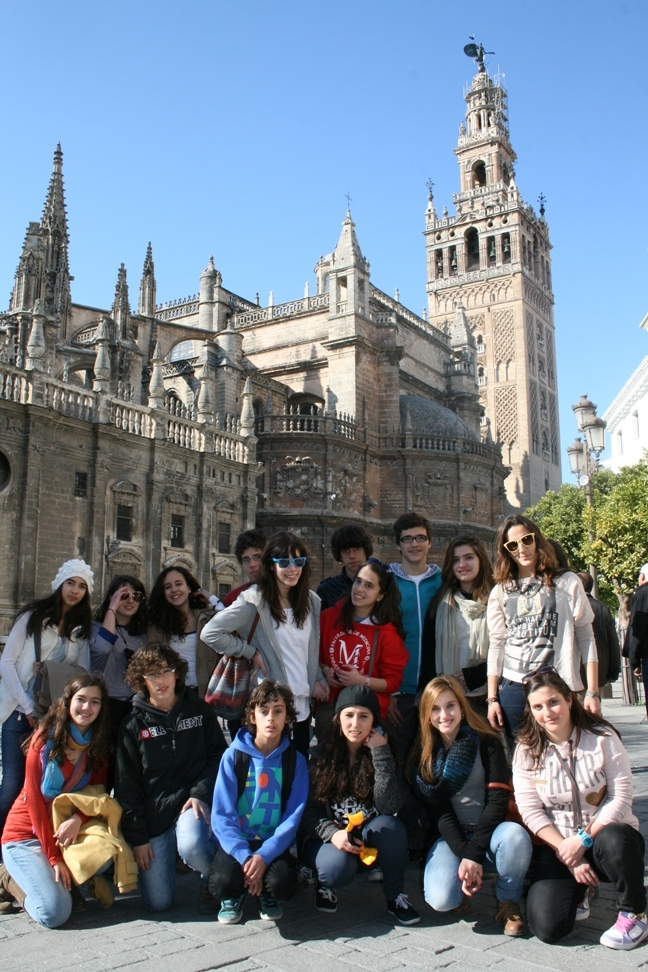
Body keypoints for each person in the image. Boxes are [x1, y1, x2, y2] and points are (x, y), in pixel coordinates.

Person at [513, 668, 648, 949]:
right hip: (561, 847)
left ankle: (634, 912)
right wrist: (570, 854)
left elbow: (621, 796)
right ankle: (581, 890)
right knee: (548, 928)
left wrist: (583, 840)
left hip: (604, 837)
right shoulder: (526, 749)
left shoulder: (602, 736)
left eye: (553, 702)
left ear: (569, 699)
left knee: (616, 839)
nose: (547, 712)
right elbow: (530, 811)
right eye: (538, 706)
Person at [412, 676, 531, 936]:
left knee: (516, 837)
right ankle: (462, 886)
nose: (444, 715)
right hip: (451, 837)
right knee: (441, 900)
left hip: (490, 833)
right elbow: (441, 814)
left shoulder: (486, 742)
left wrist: (473, 855)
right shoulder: (424, 754)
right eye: (435, 708)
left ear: (462, 706)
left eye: (450, 705)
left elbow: (497, 803)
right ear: (426, 714)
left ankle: (507, 901)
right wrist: (466, 855)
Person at [115, 643, 227, 913]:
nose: (160, 680)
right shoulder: (132, 724)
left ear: (177, 673)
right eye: (152, 674)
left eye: (165, 671)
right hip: (156, 814)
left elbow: (218, 757)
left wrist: (200, 792)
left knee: (192, 845)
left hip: (192, 802)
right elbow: (126, 786)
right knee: (159, 902)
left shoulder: (199, 711)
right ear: (141, 680)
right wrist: (138, 839)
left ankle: (223, 883)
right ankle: (217, 875)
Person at [300, 685, 420, 926]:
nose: (355, 724)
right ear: (337, 719)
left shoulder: (385, 752)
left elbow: (389, 806)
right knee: (335, 870)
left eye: (364, 716)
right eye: (349, 715)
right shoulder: (319, 756)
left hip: (368, 839)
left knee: (391, 827)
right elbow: (308, 813)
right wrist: (333, 835)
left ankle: (395, 896)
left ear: (375, 720)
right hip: (330, 841)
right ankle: (323, 884)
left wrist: (381, 754)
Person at [201, 532, 328, 755]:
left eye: (298, 562)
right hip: (268, 705)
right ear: (271, 566)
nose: (292, 569)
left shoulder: (311, 601)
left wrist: (317, 676)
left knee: (295, 771)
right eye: (284, 562)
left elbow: (308, 648)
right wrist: (250, 652)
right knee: (265, 776)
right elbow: (211, 632)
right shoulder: (254, 600)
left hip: (301, 706)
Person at [0, 674, 111, 927]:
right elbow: (35, 804)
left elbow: (97, 793)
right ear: (68, 701)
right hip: (26, 834)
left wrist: (77, 818)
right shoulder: (44, 739)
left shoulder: (99, 743)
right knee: (54, 913)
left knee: (105, 856)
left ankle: (63, 882)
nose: (87, 707)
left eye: (95, 702)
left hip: (65, 828)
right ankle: (8, 877)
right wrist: (54, 859)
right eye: (81, 700)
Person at [0, 559, 93, 842]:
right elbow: (6, 663)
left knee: (44, 787)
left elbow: (83, 675)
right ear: (59, 585)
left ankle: (30, 843)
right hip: (19, 713)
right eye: (70, 583)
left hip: (53, 719)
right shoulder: (32, 617)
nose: (75, 591)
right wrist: (28, 707)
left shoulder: (80, 631)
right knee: (13, 784)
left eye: (81, 586)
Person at [486, 515, 599, 741]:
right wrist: (492, 699)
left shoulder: (567, 581)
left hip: (557, 684)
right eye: (513, 545)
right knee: (522, 766)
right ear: (506, 551)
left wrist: (592, 691)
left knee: (563, 757)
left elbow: (586, 635)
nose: (522, 548)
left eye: (527, 540)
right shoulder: (501, 590)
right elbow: (497, 644)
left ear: (537, 540)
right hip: (515, 686)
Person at [208, 680, 308, 924]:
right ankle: (237, 893)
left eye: (278, 711)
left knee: (283, 883)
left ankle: (265, 892)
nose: (270, 718)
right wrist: (244, 856)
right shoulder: (234, 755)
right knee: (222, 882)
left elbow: (292, 817)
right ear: (252, 716)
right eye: (263, 711)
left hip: (272, 843)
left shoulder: (295, 761)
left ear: (288, 717)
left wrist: (263, 856)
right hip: (238, 841)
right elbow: (222, 814)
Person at [317, 559, 408, 740]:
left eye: (369, 586)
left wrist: (361, 680)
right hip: (331, 714)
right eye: (358, 581)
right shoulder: (327, 617)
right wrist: (325, 671)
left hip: (366, 718)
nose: (359, 589)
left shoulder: (387, 633)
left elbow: (392, 682)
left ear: (380, 595)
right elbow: (312, 657)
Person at [420, 535, 494, 715]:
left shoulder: (496, 599)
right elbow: (429, 651)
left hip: (485, 695)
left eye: (469, 557)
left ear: (480, 560)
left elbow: (506, 648)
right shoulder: (440, 602)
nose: (462, 565)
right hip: (446, 699)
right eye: (455, 560)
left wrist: (475, 676)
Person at [388, 513, 442, 741]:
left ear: (429, 542)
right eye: (407, 539)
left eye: (420, 537)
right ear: (398, 544)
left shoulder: (444, 582)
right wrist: (387, 693)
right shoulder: (386, 583)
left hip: (437, 689)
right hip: (397, 692)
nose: (415, 544)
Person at [89, 574, 148, 760]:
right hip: (108, 704)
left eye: (136, 596)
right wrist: (112, 609)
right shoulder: (96, 627)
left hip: (134, 705)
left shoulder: (143, 634)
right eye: (124, 595)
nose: (130, 601)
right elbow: (103, 649)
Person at [148, 565, 223, 698]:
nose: (174, 590)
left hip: (204, 694)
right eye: (168, 587)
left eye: (178, 584)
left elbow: (229, 621)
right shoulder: (157, 625)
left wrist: (211, 597)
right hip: (174, 695)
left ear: (189, 588)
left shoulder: (205, 618)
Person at [576, 571, 620, 689]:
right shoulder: (603, 608)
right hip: (599, 670)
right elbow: (612, 642)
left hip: (575, 671)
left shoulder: (570, 606)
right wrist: (613, 672)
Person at [316, 525, 374, 610]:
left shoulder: (383, 583)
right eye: (345, 551)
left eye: (356, 548)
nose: (352, 556)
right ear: (340, 556)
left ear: (366, 550)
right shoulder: (327, 589)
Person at [222, 529, 267, 607]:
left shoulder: (287, 592)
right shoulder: (234, 598)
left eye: (258, 557)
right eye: (246, 560)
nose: (252, 564)